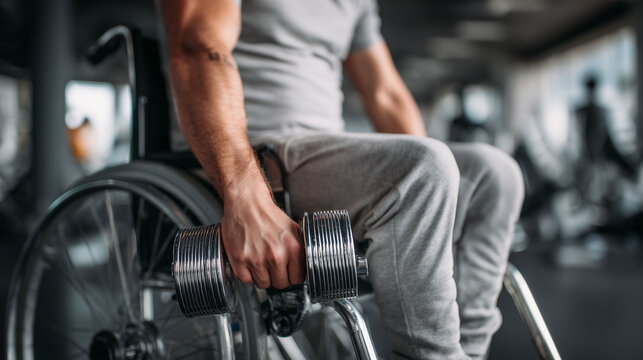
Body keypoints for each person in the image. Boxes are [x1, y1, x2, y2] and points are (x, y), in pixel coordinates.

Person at [159, 0, 524, 359]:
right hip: (250, 155)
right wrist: (245, 199)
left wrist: (441, 197)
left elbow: (386, 94)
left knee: (495, 174)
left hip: (320, 154)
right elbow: (198, 47)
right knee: (425, 169)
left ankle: (466, 353)